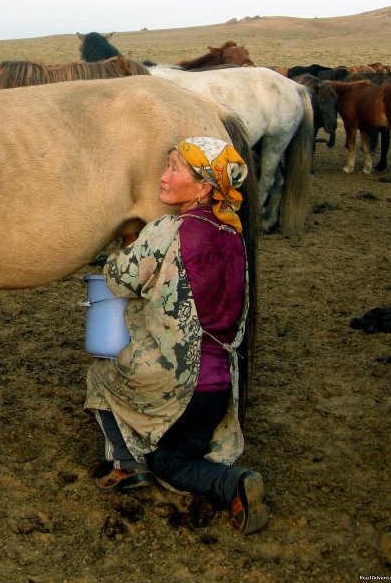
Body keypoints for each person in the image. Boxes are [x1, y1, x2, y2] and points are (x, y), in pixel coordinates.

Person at [83, 137, 269, 535]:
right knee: (179, 454)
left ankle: (140, 468)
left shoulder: (167, 230)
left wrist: (129, 245)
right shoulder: (233, 235)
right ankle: (215, 475)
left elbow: (119, 277)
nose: (163, 177)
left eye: (173, 169)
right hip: (218, 389)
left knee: (101, 376)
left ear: (203, 187)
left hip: (175, 382)